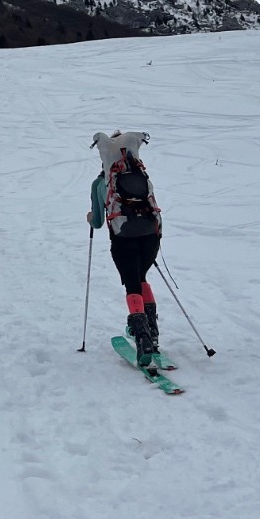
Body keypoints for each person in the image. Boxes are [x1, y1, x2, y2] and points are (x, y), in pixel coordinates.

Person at [87, 130, 162, 366]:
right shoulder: (140, 175)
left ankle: (142, 337)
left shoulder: (101, 183)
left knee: (132, 283)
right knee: (141, 278)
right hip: (151, 235)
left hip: (123, 238)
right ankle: (153, 332)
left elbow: (98, 222)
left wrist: (90, 217)